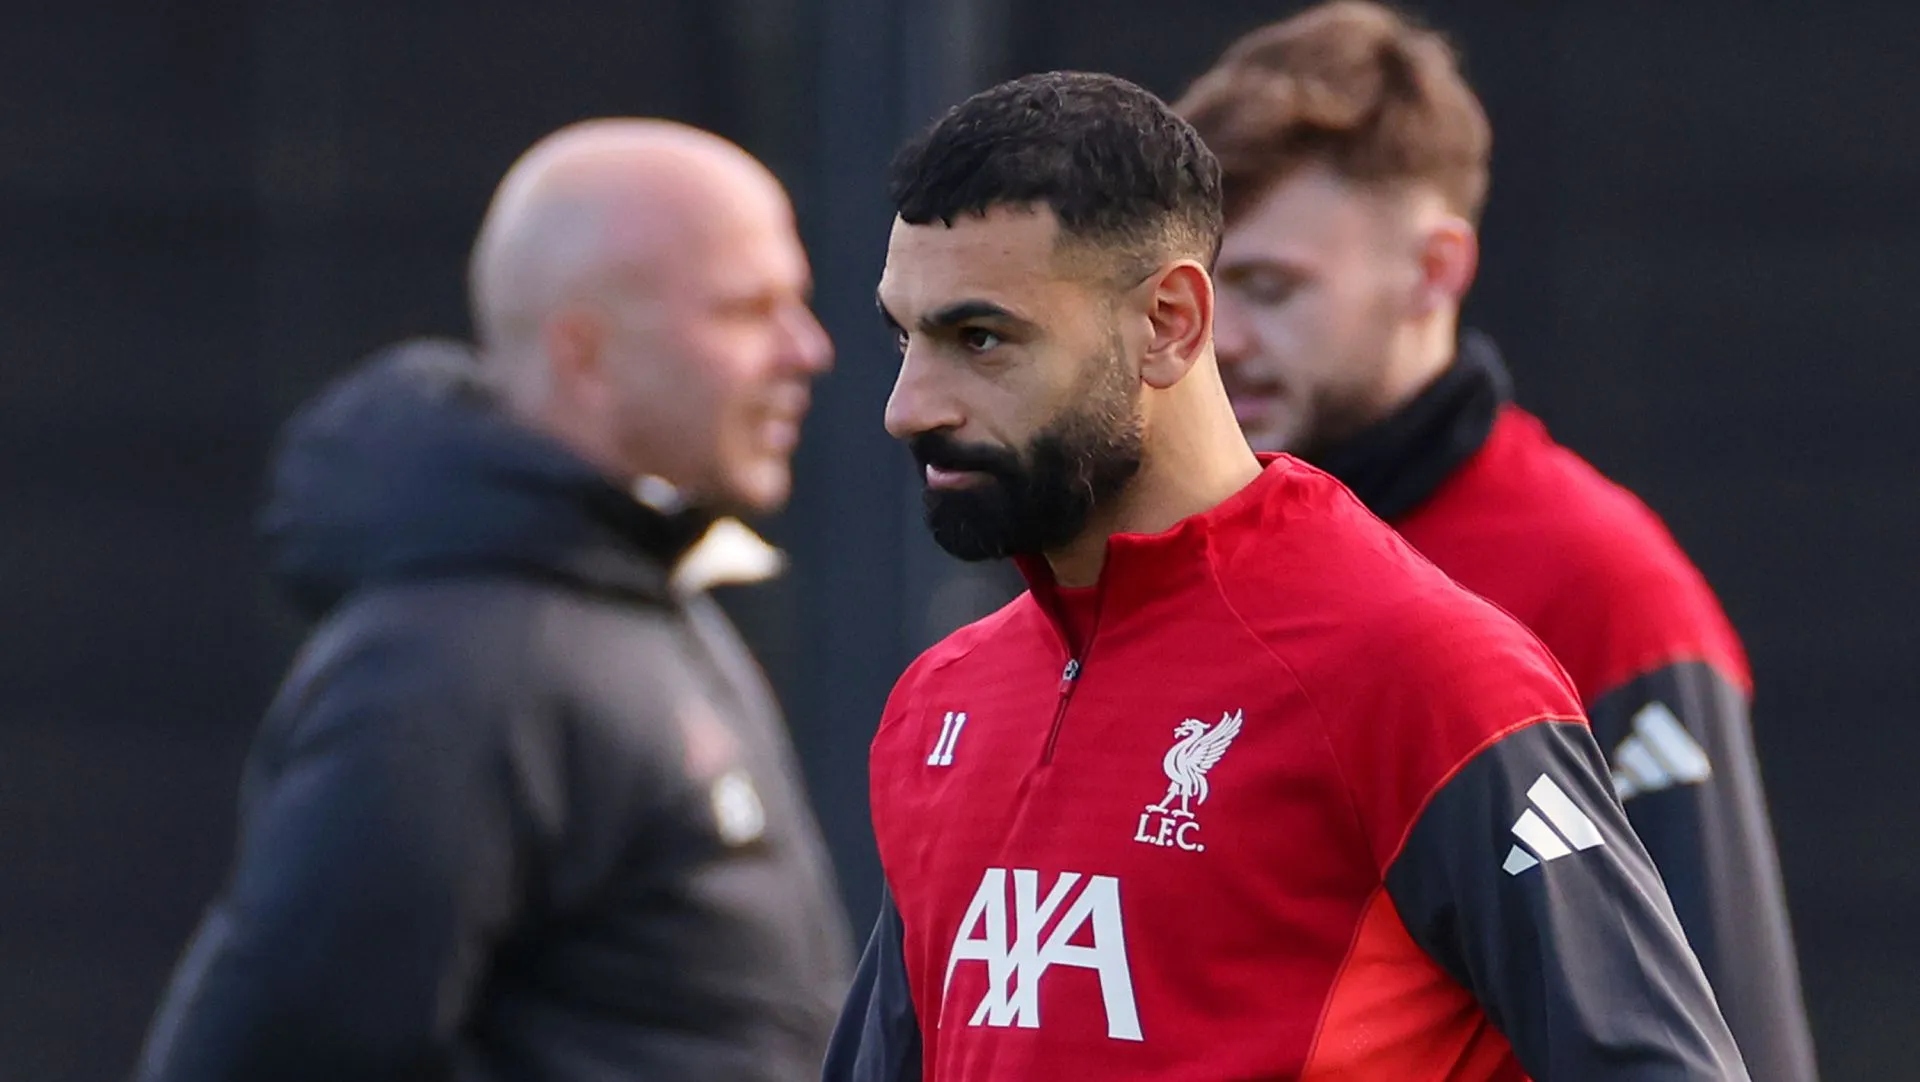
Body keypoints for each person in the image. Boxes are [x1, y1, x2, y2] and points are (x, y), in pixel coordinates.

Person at [825, 70, 1746, 1081]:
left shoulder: (1424, 669)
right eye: (904, 336)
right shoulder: (942, 699)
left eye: (981, 338)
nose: (909, 406)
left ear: (1170, 322)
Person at [134, 120, 852, 1082]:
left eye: (797, 303)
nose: (807, 349)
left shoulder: (624, 593)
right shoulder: (453, 669)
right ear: (584, 352)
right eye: (746, 311)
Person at [1176, 4, 1816, 1077]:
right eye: (1195, 288)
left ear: (1435, 270)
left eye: (1271, 288)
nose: (1219, 339)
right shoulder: (1166, 554)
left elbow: (1726, 1037)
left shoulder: (1599, 583)